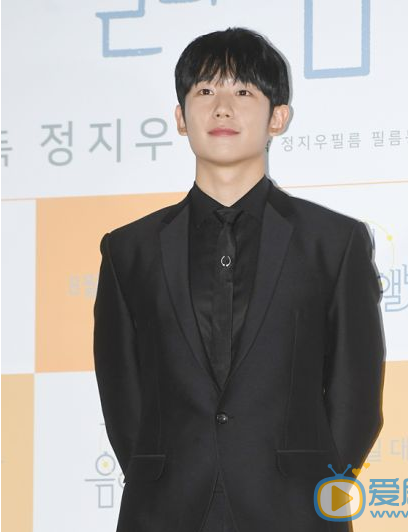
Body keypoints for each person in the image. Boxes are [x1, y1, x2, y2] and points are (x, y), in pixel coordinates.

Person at [93, 27, 385, 532]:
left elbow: (356, 395)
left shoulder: (333, 242)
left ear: (278, 117)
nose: (222, 108)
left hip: (295, 512)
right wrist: (161, 478)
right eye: (205, 91)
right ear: (181, 117)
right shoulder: (129, 250)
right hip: (164, 512)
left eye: (244, 91)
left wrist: (310, 484)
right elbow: (122, 396)